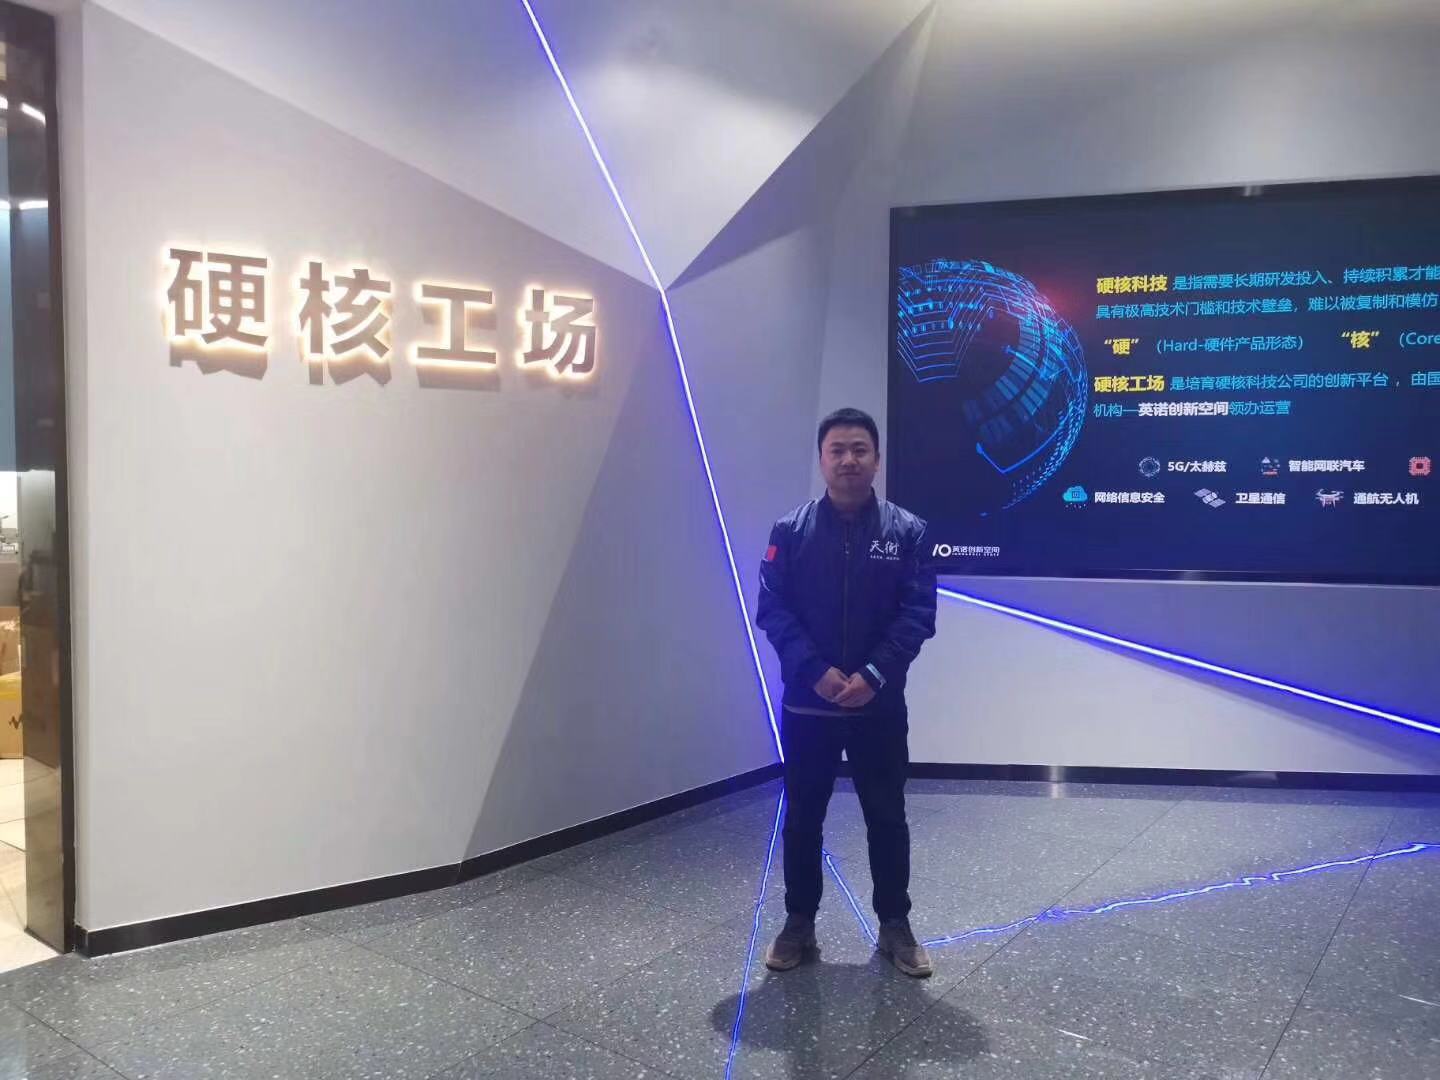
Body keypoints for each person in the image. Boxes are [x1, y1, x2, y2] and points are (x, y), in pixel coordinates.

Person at [756, 407, 938, 977]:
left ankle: (895, 925)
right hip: (807, 705)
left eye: (860, 449)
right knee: (803, 818)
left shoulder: (908, 532)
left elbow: (918, 614)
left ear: (877, 459)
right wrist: (815, 671)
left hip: (877, 706)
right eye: (837, 450)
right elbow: (773, 609)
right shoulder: (789, 532)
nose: (848, 460)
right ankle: (798, 923)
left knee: (886, 816)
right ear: (822, 459)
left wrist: (873, 675)